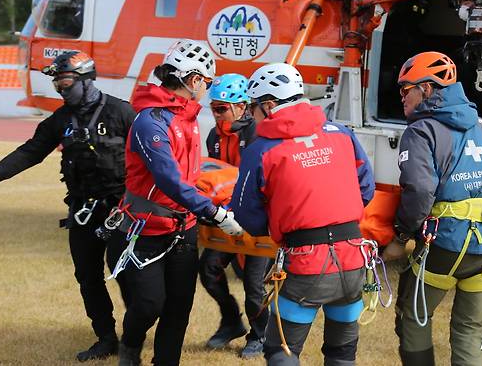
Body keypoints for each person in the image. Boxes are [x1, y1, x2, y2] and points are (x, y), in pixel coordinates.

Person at [0, 51, 135, 362]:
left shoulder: (121, 113)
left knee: (127, 275)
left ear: (85, 79)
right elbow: (30, 152)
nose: (61, 90)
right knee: (87, 277)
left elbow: (148, 158)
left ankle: (134, 338)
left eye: (65, 83)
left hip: (122, 211)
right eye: (57, 85)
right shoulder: (59, 121)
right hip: (82, 211)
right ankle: (106, 338)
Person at [231, 62, 376, 366]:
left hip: (306, 262)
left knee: (280, 351)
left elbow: (246, 214)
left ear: (269, 106)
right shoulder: (342, 133)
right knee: (341, 353)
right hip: (353, 259)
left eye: (254, 109)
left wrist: (278, 223)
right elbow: (366, 188)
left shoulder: (261, 150)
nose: (251, 116)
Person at [387, 51, 482, 366]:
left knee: (414, 316)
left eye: (406, 90)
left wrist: (402, 234)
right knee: (470, 330)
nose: (402, 97)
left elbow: (420, 190)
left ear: (427, 89)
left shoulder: (421, 131)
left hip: (446, 243)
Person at [117, 39, 244, 366]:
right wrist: (214, 212)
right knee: (149, 304)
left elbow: (190, 173)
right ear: (193, 80)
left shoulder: (187, 117)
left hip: (183, 228)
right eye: (206, 81)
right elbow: (168, 179)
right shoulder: (150, 122)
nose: (207, 88)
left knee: (178, 308)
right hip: (147, 228)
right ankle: (129, 349)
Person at [199, 73, 270, 358]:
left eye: (221, 108)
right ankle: (231, 322)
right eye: (213, 108)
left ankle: (260, 335)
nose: (216, 115)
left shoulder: (258, 134)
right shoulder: (213, 136)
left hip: (255, 220)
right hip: (225, 217)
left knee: (255, 286)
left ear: (242, 107)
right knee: (209, 272)